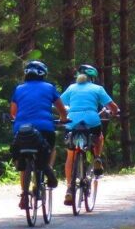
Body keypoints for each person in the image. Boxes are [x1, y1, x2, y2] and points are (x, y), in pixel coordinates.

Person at [9, 60, 68, 210]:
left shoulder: (19, 89)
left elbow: (13, 113)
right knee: (51, 147)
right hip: (45, 129)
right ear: (44, 74)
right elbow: (61, 108)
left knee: (22, 158)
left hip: (22, 130)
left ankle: (24, 195)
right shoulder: (49, 88)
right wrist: (63, 119)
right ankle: (48, 168)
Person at [60, 64, 118, 207]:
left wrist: (67, 110)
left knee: (70, 155)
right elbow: (113, 107)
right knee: (99, 136)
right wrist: (114, 113)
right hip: (92, 121)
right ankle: (97, 157)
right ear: (92, 77)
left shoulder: (71, 88)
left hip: (72, 122)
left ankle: (69, 188)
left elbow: (59, 103)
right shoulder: (97, 89)